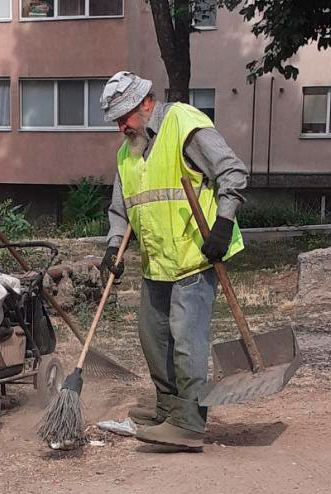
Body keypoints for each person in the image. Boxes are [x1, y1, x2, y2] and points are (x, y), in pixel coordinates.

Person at [98, 71, 247, 451]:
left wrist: (223, 225)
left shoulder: (184, 124)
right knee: (154, 339)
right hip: (157, 265)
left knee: (186, 343)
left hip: (195, 259)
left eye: (124, 116)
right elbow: (122, 210)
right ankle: (168, 408)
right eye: (116, 120)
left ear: (146, 104)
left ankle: (189, 424)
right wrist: (113, 250)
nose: (120, 127)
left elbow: (231, 171)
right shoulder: (127, 154)